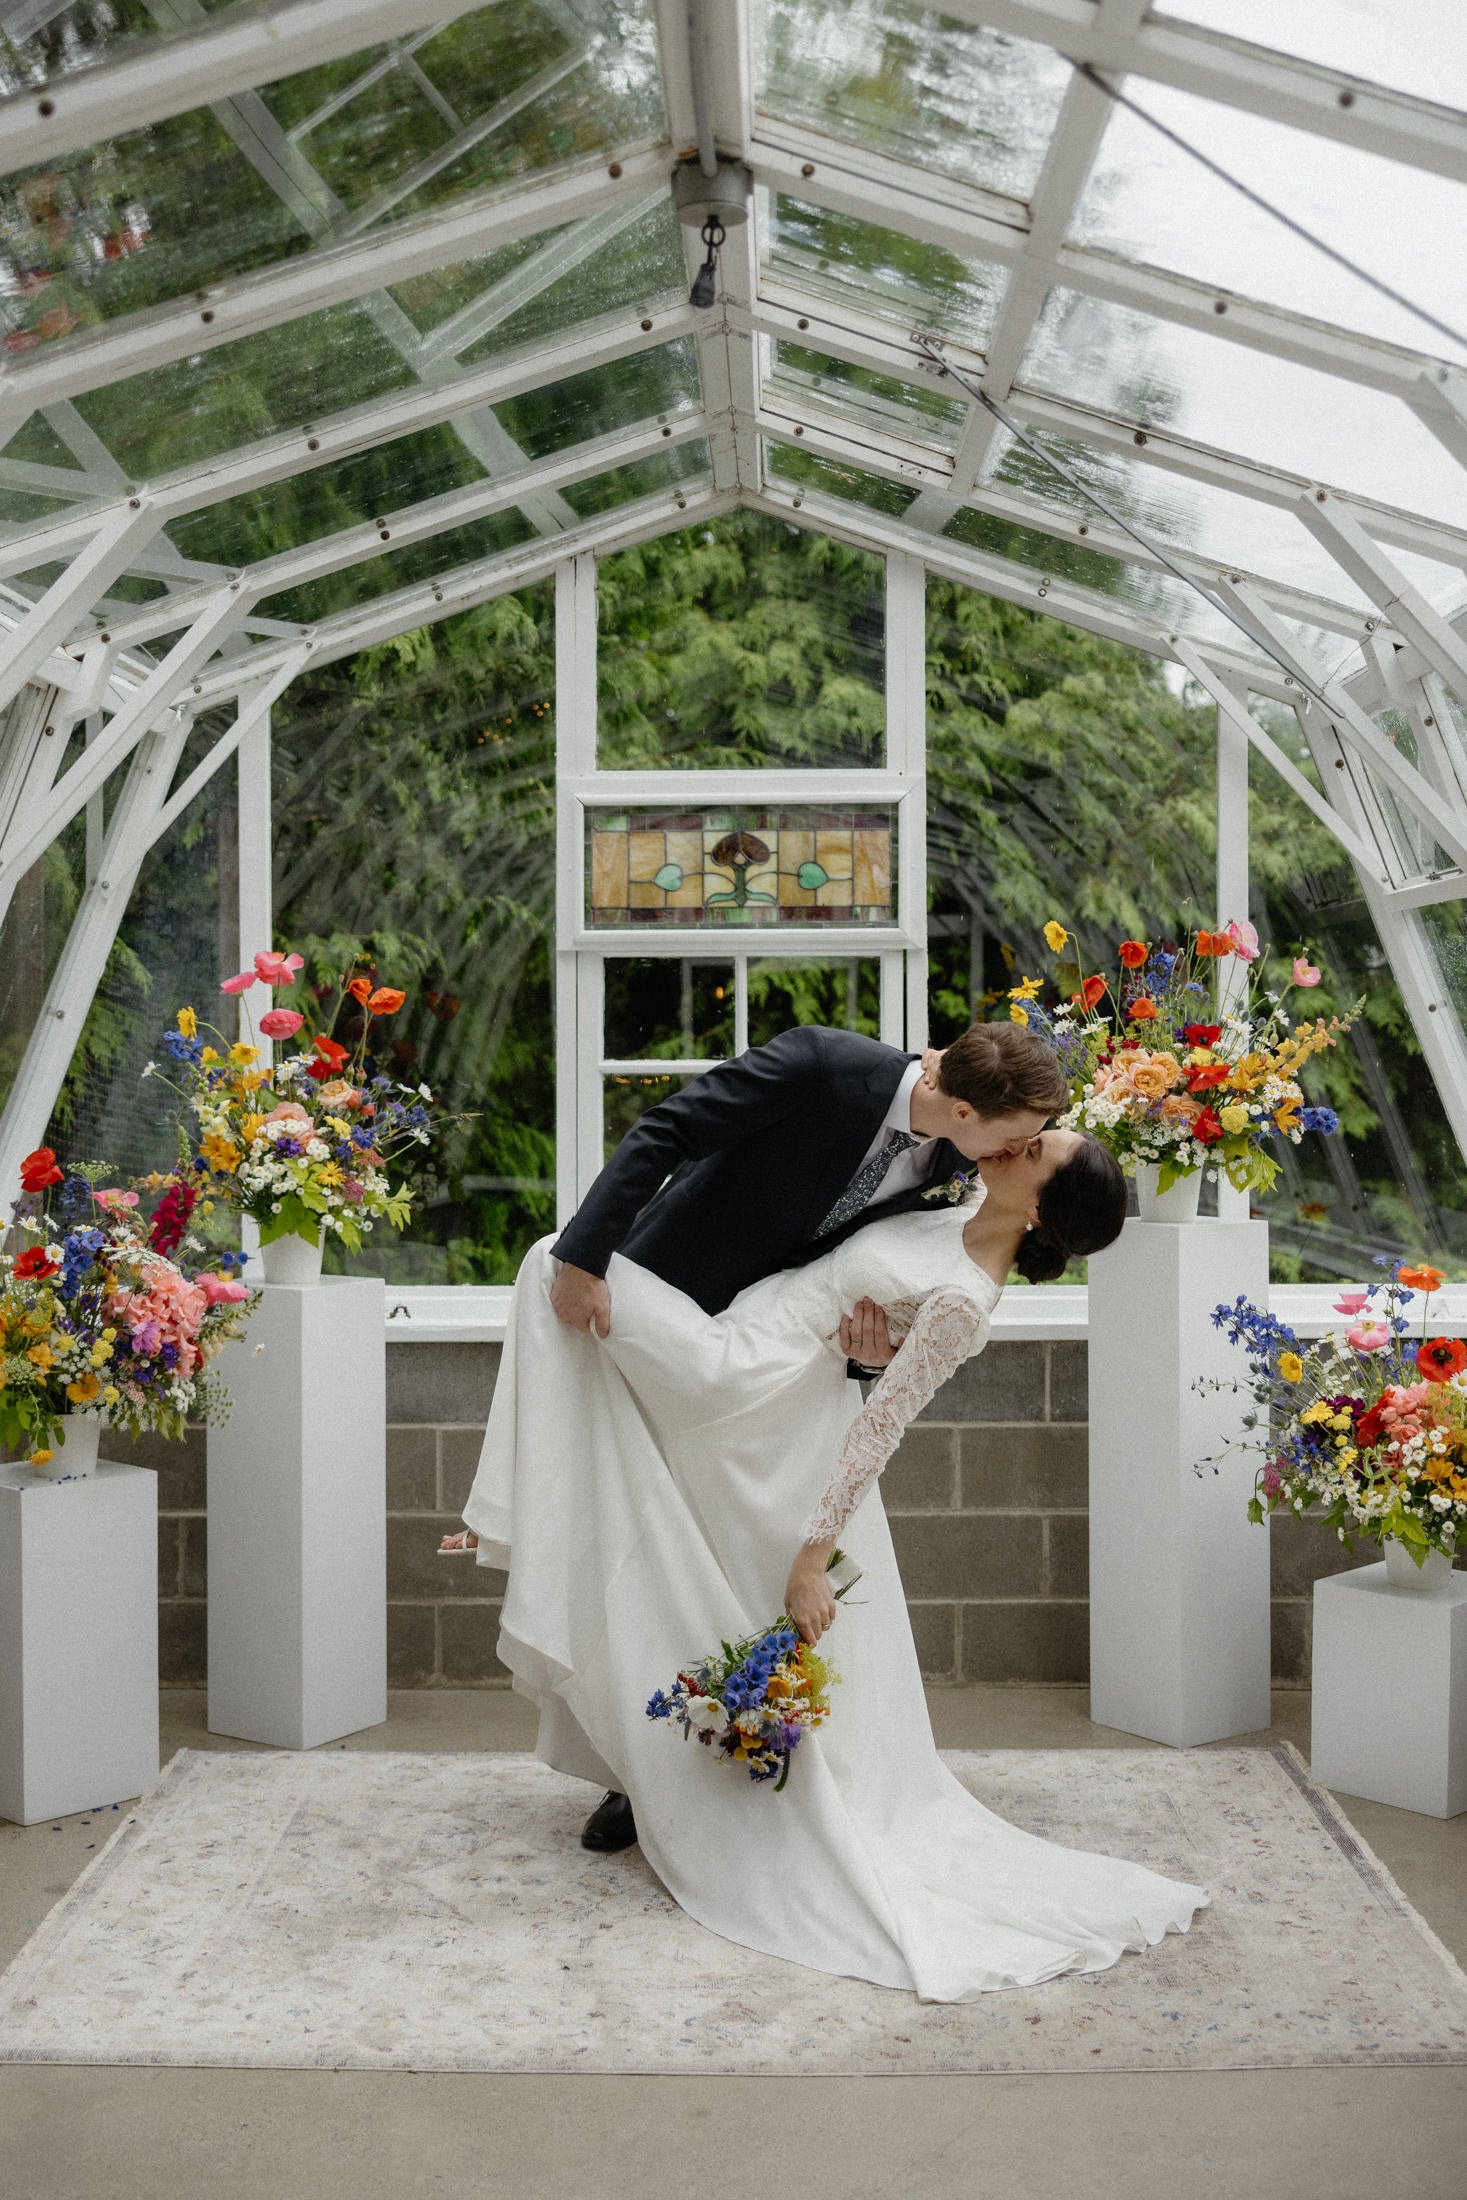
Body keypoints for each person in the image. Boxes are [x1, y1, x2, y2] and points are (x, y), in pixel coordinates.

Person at [446, 1114, 1211, 2001]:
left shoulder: (965, 1298)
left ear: (1040, 1211)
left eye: (1034, 1153)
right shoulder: (955, 1197)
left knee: (558, 1257)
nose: (1014, 1143)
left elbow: (879, 1430)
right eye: (1031, 1134)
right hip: (758, 1343)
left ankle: (511, 1514)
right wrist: (865, 1346)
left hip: (747, 1373)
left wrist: (811, 1561)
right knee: (658, 1523)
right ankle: (640, 1768)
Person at [447, 1018, 1069, 1849]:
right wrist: (587, 1258)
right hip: (674, 1305)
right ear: (959, 1107)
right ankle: (622, 1769)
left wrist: (865, 1358)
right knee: (631, 1530)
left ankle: (679, 1765)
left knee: (717, 1562)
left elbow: (886, 1294)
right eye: (1017, 1135)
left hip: (774, 1375)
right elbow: (667, 1128)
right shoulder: (822, 1065)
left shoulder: (965, 1167)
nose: (1019, 1149)